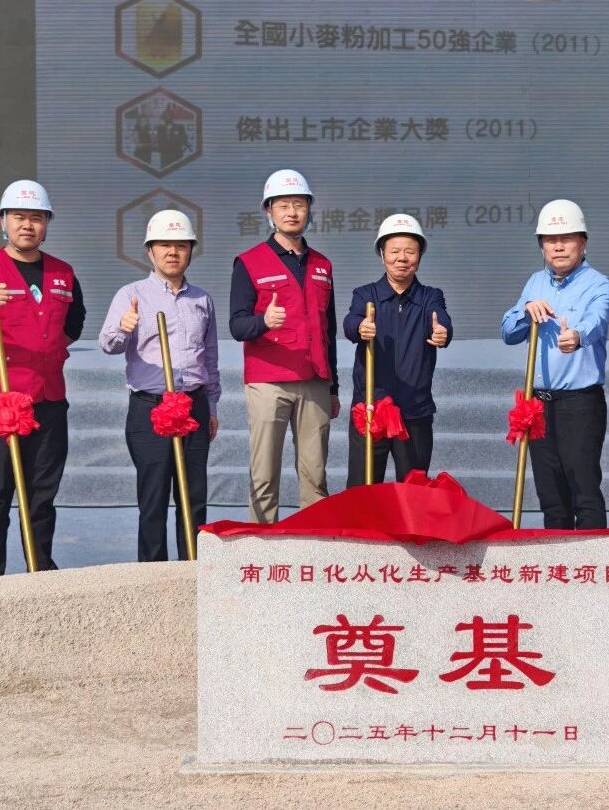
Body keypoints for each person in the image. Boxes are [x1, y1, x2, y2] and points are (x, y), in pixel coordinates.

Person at [0, 179, 85, 577]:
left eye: (36, 218)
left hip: (49, 398)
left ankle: (39, 568)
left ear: (46, 224)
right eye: (19, 217)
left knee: (42, 494)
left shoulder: (63, 272)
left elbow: (73, 326)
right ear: (4, 222)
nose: (28, 225)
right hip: (1, 401)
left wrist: (44, 352)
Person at [99, 209, 219, 561]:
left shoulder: (202, 300)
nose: (173, 252)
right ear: (150, 251)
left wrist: (211, 407)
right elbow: (108, 345)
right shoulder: (131, 295)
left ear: (191, 250)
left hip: (194, 406)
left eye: (181, 245)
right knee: (152, 499)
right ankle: (152, 575)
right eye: (164, 245)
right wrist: (123, 327)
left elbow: (210, 359)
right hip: (150, 408)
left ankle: (193, 571)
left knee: (193, 497)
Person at [229, 169, 339, 522]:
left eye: (299, 205)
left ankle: (315, 543)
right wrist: (264, 321)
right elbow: (237, 325)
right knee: (264, 474)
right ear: (269, 211)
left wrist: (333, 386)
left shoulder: (322, 265)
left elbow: (328, 329)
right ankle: (261, 546)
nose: (292, 212)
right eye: (283, 205)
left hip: (314, 381)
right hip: (269, 382)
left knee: (315, 475)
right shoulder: (249, 262)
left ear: (309, 209)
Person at [501, 199, 609, 530]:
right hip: (537, 403)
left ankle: (591, 559)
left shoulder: (600, 285)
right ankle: (557, 560)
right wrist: (525, 311)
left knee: (584, 489)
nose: (559, 246)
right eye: (551, 240)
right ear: (542, 246)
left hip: (580, 403)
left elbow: (596, 322)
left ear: (583, 243)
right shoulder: (534, 283)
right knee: (550, 495)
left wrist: (576, 336)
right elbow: (508, 333)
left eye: (567, 239)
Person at [343, 214, 452, 486]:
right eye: (394, 251)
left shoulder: (430, 296)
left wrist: (442, 332)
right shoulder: (365, 295)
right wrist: (359, 327)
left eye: (410, 251)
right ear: (382, 255)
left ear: (419, 256)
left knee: (414, 491)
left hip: (414, 411)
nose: (402, 258)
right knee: (363, 491)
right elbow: (350, 322)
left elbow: (441, 319)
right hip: (372, 409)